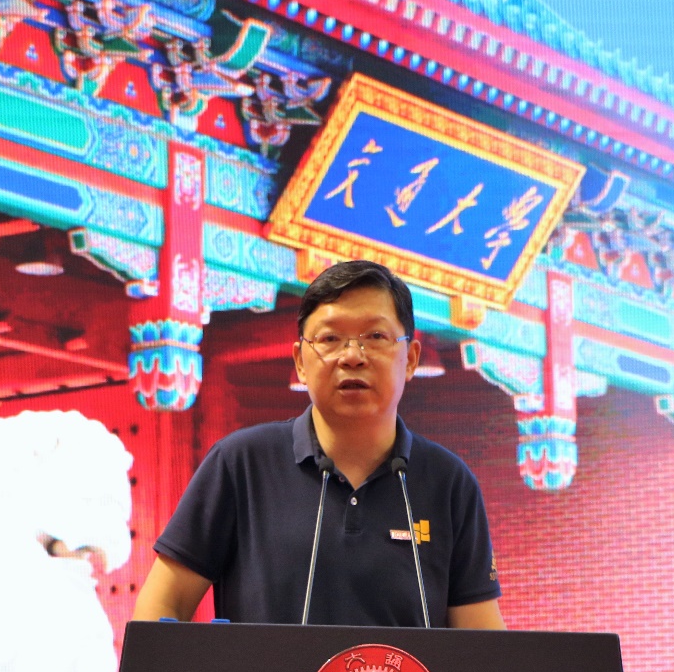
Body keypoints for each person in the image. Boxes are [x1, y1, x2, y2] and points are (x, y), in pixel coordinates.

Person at [131, 260, 506, 629]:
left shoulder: (449, 483)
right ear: (300, 361)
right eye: (330, 339)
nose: (352, 356)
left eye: (376, 337)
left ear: (410, 359)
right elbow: (163, 603)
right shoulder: (240, 464)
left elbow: (482, 640)